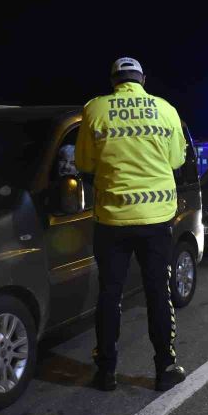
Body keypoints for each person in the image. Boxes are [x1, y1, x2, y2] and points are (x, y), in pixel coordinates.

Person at [75, 57, 187, 392]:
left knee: (110, 294)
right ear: (142, 79)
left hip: (112, 219)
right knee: (157, 292)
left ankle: (105, 371)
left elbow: (84, 162)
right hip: (156, 220)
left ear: (113, 81)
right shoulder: (165, 109)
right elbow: (176, 160)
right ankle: (165, 367)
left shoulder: (95, 109)